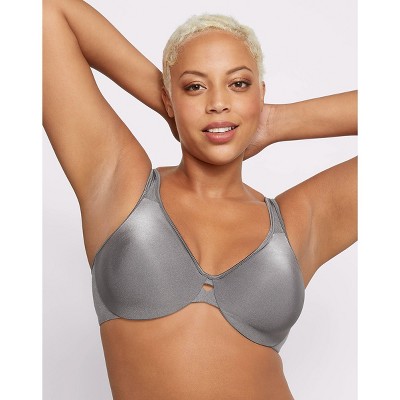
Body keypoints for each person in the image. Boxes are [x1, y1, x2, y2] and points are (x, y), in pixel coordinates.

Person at [43, 0, 357, 398]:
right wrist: (169, 105)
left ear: (260, 94)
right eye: (195, 86)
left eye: (238, 84)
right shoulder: (120, 185)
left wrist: (276, 121)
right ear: (169, 97)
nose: (218, 103)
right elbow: (42, 16)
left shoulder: (299, 222)